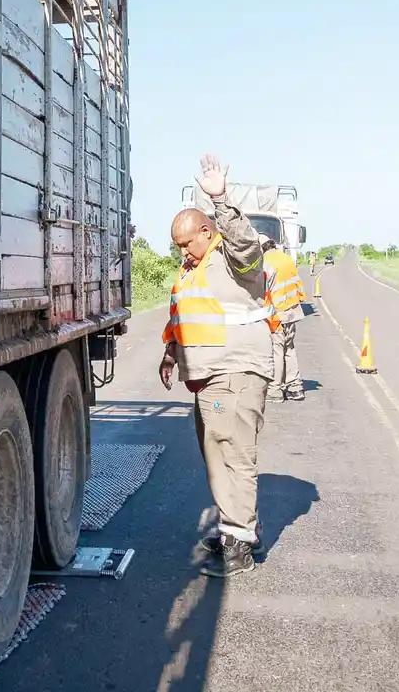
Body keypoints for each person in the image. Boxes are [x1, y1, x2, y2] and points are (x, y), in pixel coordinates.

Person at [160, 154, 274, 578]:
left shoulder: (232, 257)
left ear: (208, 231)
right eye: (178, 246)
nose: (183, 251)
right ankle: (238, 528)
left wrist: (221, 199)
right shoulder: (192, 269)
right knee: (217, 455)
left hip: (236, 371)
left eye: (188, 242)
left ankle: (239, 544)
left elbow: (246, 245)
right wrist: (171, 351)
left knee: (233, 455)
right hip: (208, 376)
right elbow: (183, 314)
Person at [261, 239, 307, 402]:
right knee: (289, 348)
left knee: (277, 350)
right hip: (292, 310)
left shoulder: (266, 262)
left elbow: (264, 291)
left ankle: (275, 389)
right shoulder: (286, 258)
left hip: (278, 313)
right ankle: (295, 387)